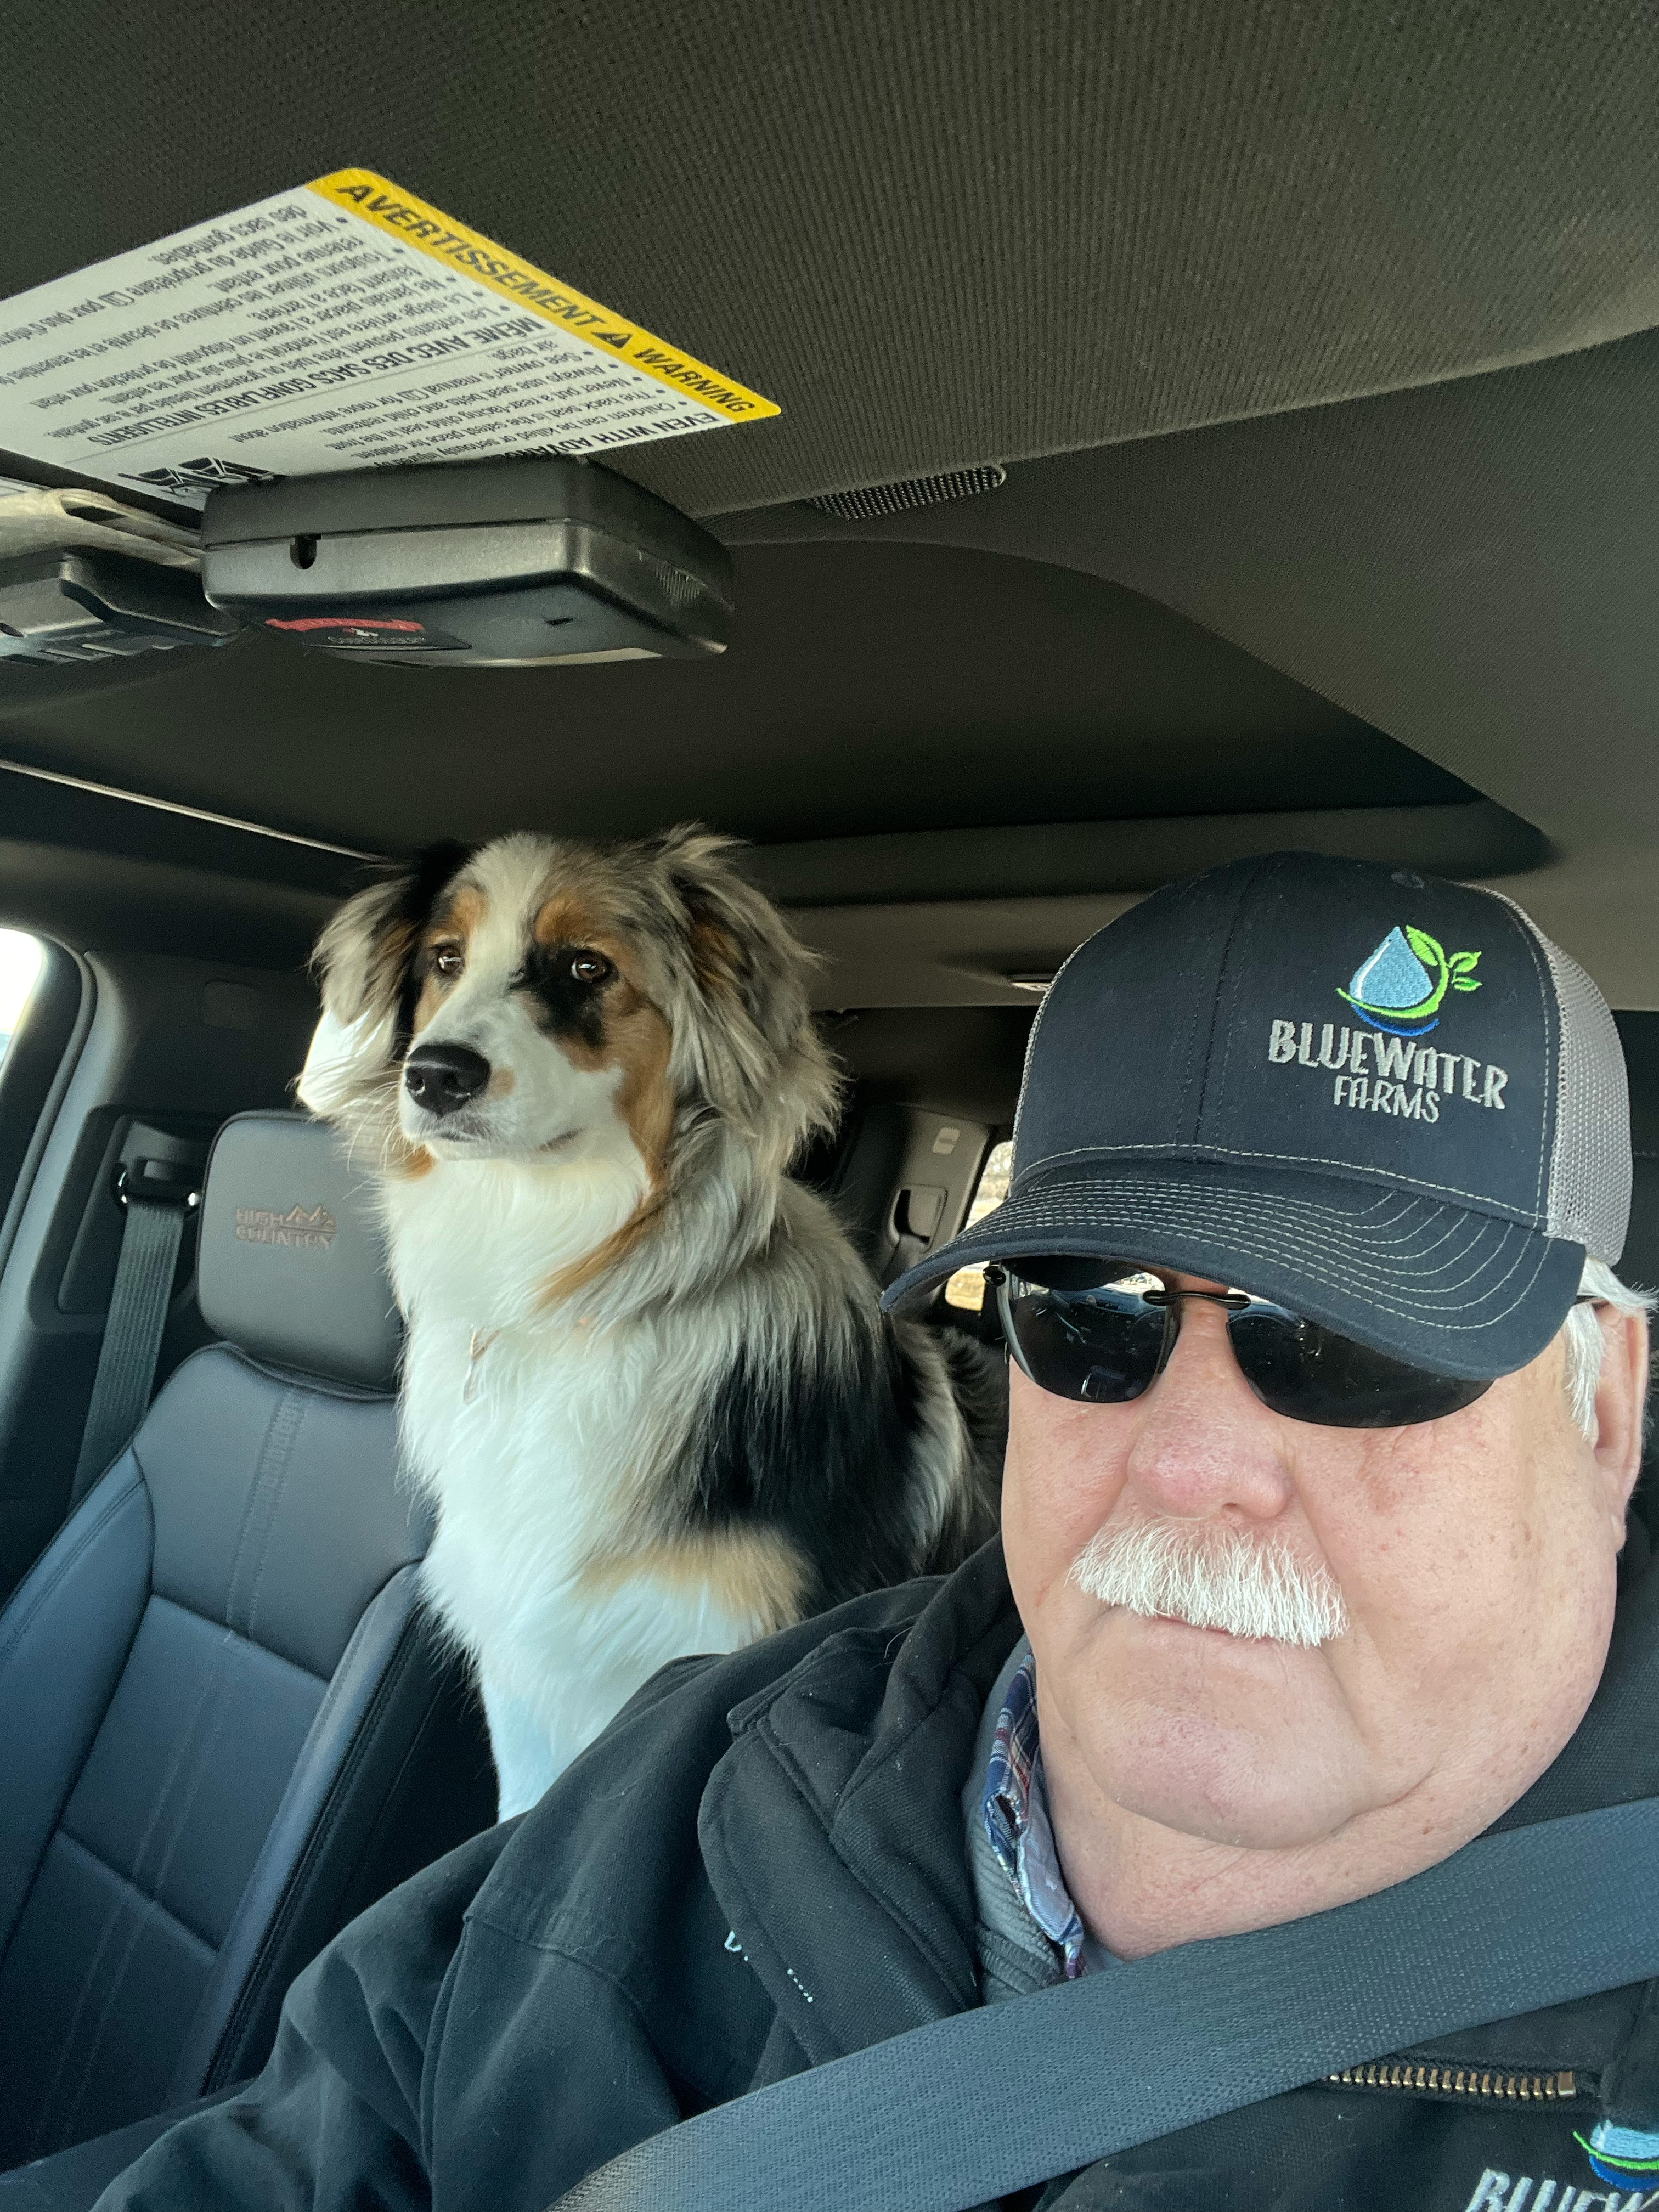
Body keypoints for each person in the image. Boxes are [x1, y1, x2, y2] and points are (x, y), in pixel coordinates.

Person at [83, 853, 1659, 2211]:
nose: (1187, 1463)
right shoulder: (688, 1780)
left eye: (1355, 1340)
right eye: (1092, 1314)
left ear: (1604, 1408)